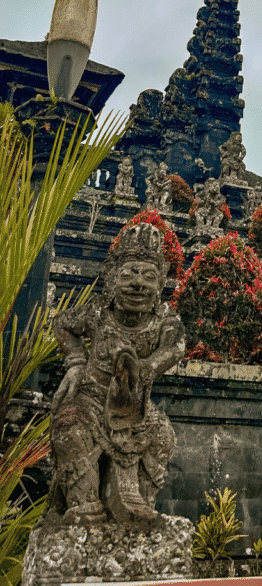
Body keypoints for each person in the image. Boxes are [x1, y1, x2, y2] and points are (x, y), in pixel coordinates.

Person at [48, 222, 185, 525]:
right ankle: (84, 505)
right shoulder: (99, 313)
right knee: (69, 428)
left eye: (149, 277)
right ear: (112, 280)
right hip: (91, 402)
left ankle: (140, 507)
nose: (139, 284)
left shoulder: (164, 320)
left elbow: (174, 349)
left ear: (160, 284)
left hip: (135, 409)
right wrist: (75, 362)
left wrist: (148, 368)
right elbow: (62, 324)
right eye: (129, 275)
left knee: (163, 435)